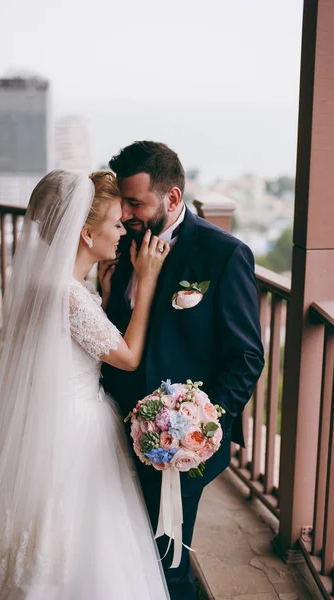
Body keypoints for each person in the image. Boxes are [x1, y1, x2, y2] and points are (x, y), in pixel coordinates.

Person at [0, 170, 171, 600]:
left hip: (39, 421)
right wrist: (149, 281)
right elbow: (128, 356)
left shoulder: (46, 284)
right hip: (74, 430)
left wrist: (100, 292)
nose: (123, 232)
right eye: (116, 224)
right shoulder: (70, 296)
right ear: (85, 234)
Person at [101, 141, 265, 600]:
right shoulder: (122, 241)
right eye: (123, 201)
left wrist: (202, 423)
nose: (126, 212)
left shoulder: (224, 255)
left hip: (179, 440)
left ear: (172, 198)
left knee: (167, 561)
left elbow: (247, 357)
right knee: (128, 547)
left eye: (136, 202)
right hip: (114, 429)